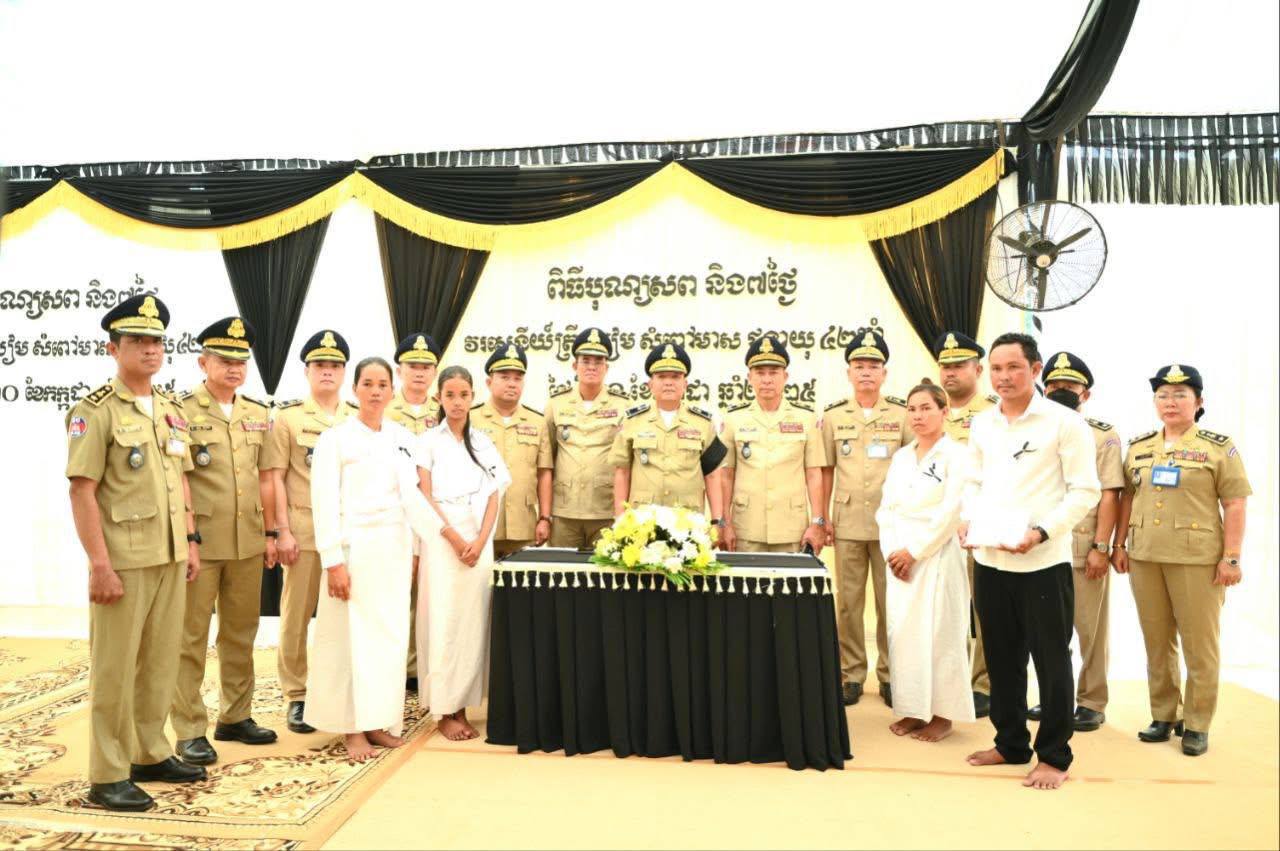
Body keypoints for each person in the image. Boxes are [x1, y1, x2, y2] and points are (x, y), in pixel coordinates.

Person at [65, 295, 206, 811]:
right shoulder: (95, 410)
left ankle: (149, 751)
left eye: (157, 341)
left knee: (160, 663)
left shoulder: (169, 408)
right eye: (138, 341)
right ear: (113, 348)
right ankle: (107, 774)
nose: (150, 349)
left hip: (169, 555)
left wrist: (190, 540)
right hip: (124, 559)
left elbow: (181, 478)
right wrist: (99, 565)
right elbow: (82, 491)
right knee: (115, 669)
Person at [960, 332, 1100, 791]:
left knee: (1051, 662)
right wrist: (967, 520)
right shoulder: (983, 423)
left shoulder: (1064, 423)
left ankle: (1054, 756)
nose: (1004, 377)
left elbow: (1085, 491)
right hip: (990, 560)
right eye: (996, 368)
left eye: (1014, 367)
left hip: (1043, 563)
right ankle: (1010, 743)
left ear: (1036, 370)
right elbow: (973, 482)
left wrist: (1041, 532)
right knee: (1001, 658)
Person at [304, 357, 440, 760]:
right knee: (351, 643)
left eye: (382, 384)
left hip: (393, 552)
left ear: (391, 391)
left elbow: (412, 500)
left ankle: (377, 721)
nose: (376, 391)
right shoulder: (335, 439)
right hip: (353, 552)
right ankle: (352, 729)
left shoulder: (402, 438)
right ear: (355, 389)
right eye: (368, 384)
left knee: (389, 642)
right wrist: (333, 561)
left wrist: (416, 551)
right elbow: (323, 503)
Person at [1112, 364, 1250, 757]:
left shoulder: (1217, 447)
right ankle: (1163, 714)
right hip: (1145, 556)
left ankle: (1197, 722)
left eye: (1180, 395)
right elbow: (1127, 498)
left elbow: (1235, 504)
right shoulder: (1139, 447)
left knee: (1199, 645)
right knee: (1157, 641)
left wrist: (1232, 558)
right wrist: (1119, 545)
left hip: (1197, 559)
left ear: (1199, 401)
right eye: (1163, 395)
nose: (1170, 402)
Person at [170, 317, 278, 768]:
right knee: (190, 637)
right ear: (203, 362)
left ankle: (235, 716)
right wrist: (188, 538)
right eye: (224, 360)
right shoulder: (180, 411)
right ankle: (189, 729)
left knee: (240, 632)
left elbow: (266, 477)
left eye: (241, 360)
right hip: (203, 542)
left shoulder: (257, 412)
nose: (234, 368)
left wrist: (271, 533)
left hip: (247, 540)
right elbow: (177, 478)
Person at [262, 329, 358, 734]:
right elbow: (274, 477)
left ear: (344, 372)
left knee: (345, 615)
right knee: (296, 616)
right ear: (306, 370)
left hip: (349, 533)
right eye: (320, 365)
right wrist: (280, 531)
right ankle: (297, 694)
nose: (327, 372)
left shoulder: (357, 418)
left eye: (335, 365)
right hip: (303, 529)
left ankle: (338, 688)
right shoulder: (288, 418)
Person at [1025, 352, 1124, 732]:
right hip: (1042, 546)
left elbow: (1110, 495)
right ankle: (1055, 699)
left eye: (1070, 386)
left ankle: (1092, 701)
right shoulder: (1033, 429)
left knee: (1090, 632)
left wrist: (1102, 547)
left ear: (1086, 393)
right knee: (1048, 631)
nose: (1061, 390)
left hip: (1084, 548)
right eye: (1054, 385)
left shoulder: (1102, 435)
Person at [416, 366, 510, 741]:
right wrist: (454, 539)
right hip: (442, 538)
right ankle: (444, 709)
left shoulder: (483, 442)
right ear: (439, 397)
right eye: (450, 395)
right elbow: (423, 495)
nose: (457, 402)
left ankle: (464, 706)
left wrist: (481, 540)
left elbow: (495, 493)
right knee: (443, 622)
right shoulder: (427, 441)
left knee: (472, 624)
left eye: (464, 395)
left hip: (478, 541)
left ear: (473, 397)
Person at [877, 379, 974, 742]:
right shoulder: (902, 457)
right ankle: (914, 709)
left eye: (926, 408)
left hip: (936, 555)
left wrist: (915, 552)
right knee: (904, 634)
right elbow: (886, 509)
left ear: (944, 412)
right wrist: (894, 552)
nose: (917, 416)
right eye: (912, 409)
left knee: (941, 634)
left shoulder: (958, 455)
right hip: (899, 557)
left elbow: (952, 512)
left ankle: (943, 716)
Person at [821, 329, 907, 707]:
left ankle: (891, 675)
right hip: (848, 522)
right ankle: (851, 674)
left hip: (891, 525)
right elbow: (825, 470)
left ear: (884, 373)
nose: (866, 371)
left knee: (891, 604)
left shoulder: (902, 414)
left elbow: (914, 469)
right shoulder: (833, 416)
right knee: (848, 604)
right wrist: (822, 518)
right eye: (859, 365)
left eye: (874, 365)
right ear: (849, 373)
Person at [933, 330, 999, 718]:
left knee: (984, 612)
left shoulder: (994, 414)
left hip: (977, 528)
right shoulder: (928, 410)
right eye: (945, 366)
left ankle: (984, 684)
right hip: (936, 529)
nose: (951, 372)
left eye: (959, 365)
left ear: (978, 369)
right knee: (943, 609)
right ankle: (949, 681)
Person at [719, 334, 826, 553]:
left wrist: (817, 522)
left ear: (785, 376)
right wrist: (724, 522)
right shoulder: (733, 419)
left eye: (773, 372)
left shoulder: (806, 418)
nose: (767, 379)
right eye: (760, 373)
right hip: (746, 528)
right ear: (749, 377)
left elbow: (814, 474)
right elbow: (725, 476)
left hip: (792, 529)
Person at [609, 342, 727, 521]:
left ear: (685, 384)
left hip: (688, 521)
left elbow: (712, 475)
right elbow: (622, 472)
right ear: (650, 384)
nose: (669, 382)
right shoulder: (632, 420)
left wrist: (717, 521)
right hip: (642, 520)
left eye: (675, 377)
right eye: (662, 376)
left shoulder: (703, 423)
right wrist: (620, 518)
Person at [386, 331, 442, 691]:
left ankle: (425, 666)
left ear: (435, 371)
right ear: (399, 370)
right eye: (412, 366)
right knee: (397, 594)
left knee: (432, 595)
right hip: (396, 515)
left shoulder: (446, 408)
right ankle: (400, 668)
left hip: (436, 516)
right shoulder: (384, 410)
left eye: (425, 366)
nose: (419, 372)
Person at [545, 328, 630, 548]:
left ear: (606, 367)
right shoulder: (556, 404)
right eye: (585, 361)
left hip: (605, 509)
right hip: (564, 510)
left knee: (606, 569)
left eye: (598, 361)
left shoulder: (623, 406)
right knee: (560, 569)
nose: (592, 367)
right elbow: (547, 458)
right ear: (575, 366)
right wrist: (545, 514)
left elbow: (627, 463)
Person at [470, 343, 553, 559]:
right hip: (480, 524)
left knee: (523, 580)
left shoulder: (537, 421)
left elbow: (544, 472)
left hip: (523, 523)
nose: (511, 383)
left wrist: (545, 518)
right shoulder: (471, 419)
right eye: (504, 377)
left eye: (517, 378)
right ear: (489, 382)